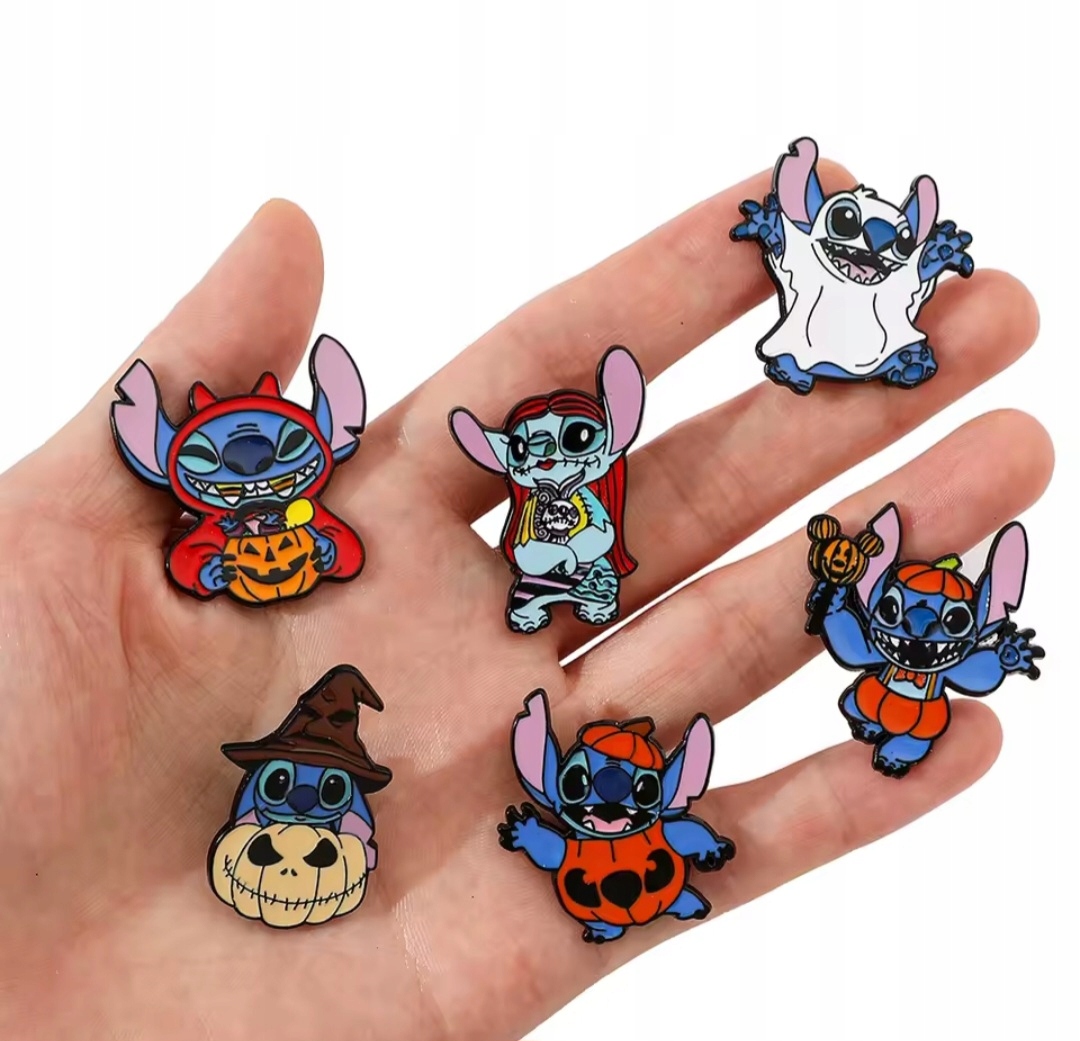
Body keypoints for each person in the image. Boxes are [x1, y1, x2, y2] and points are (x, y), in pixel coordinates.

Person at [0, 155, 1050, 1040]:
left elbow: (631, 806)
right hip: (540, 583)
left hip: (581, 574)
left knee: (611, 590)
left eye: (573, 440)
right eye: (529, 448)